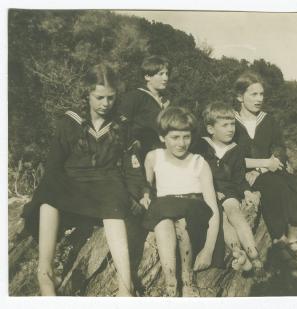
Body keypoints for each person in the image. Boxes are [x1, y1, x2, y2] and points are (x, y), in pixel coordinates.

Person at [22, 64, 146, 296]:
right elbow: (54, 164)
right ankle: (45, 272)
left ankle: (125, 286)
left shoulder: (121, 124)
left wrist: (141, 191)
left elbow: (131, 164)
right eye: (99, 97)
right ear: (87, 93)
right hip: (72, 181)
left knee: (115, 201)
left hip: (105, 180)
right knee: (49, 192)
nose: (105, 104)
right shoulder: (70, 121)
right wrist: (51, 187)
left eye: (110, 98)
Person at [140, 106, 225, 297]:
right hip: (164, 209)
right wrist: (144, 195)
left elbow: (212, 206)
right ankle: (171, 282)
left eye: (186, 137)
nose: (181, 143)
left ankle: (188, 277)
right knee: (162, 223)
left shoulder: (198, 162)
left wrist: (209, 249)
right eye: (175, 137)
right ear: (163, 137)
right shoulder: (154, 157)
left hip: (193, 213)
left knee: (182, 223)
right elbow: (145, 187)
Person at [233, 71, 297, 263]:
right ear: (239, 97)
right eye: (253, 94)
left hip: (268, 169)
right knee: (275, 188)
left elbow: (279, 147)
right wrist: (258, 168)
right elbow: (230, 156)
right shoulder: (230, 121)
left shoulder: (268, 120)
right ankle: (278, 238)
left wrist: (267, 164)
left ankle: (293, 238)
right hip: (241, 173)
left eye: (261, 94)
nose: (259, 99)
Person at [193, 101, 264, 274]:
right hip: (208, 191)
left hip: (229, 190)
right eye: (224, 125)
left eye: (232, 124)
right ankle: (237, 251)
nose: (230, 129)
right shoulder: (201, 146)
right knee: (222, 220)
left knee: (234, 212)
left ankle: (252, 251)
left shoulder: (236, 150)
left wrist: (247, 191)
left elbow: (239, 179)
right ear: (211, 129)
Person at [118, 55, 170, 160]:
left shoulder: (166, 100)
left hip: (163, 151)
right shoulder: (135, 96)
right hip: (141, 154)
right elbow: (121, 124)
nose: (166, 78)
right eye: (161, 74)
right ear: (147, 77)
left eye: (166, 74)